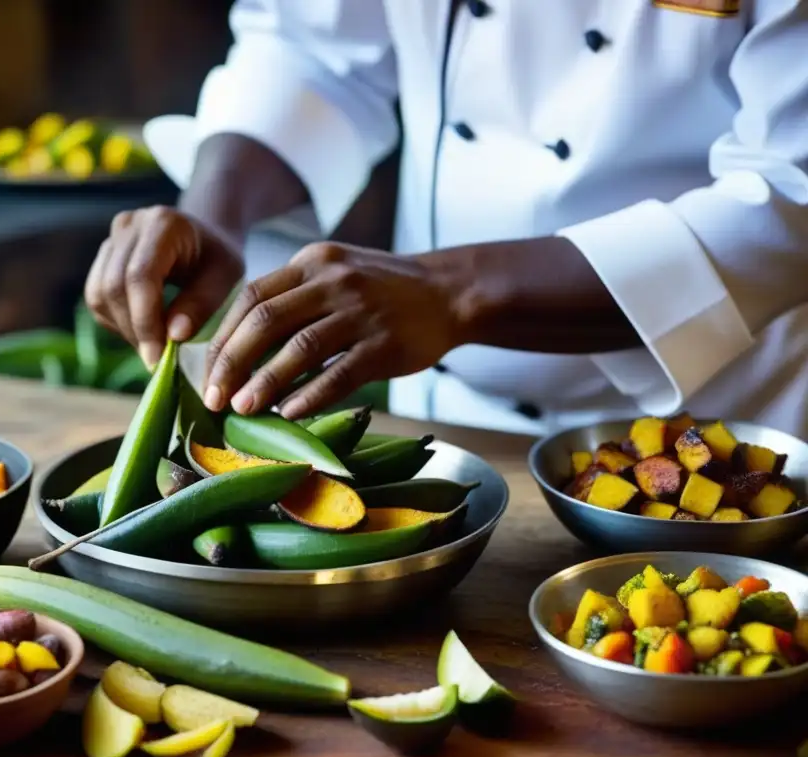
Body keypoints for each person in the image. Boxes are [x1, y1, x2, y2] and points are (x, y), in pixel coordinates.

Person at [85, 0, 808, 437]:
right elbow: (316, 45)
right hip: (444, 417)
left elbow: (790, 192)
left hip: (722, 420)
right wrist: (214, 214)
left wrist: (451, 293)